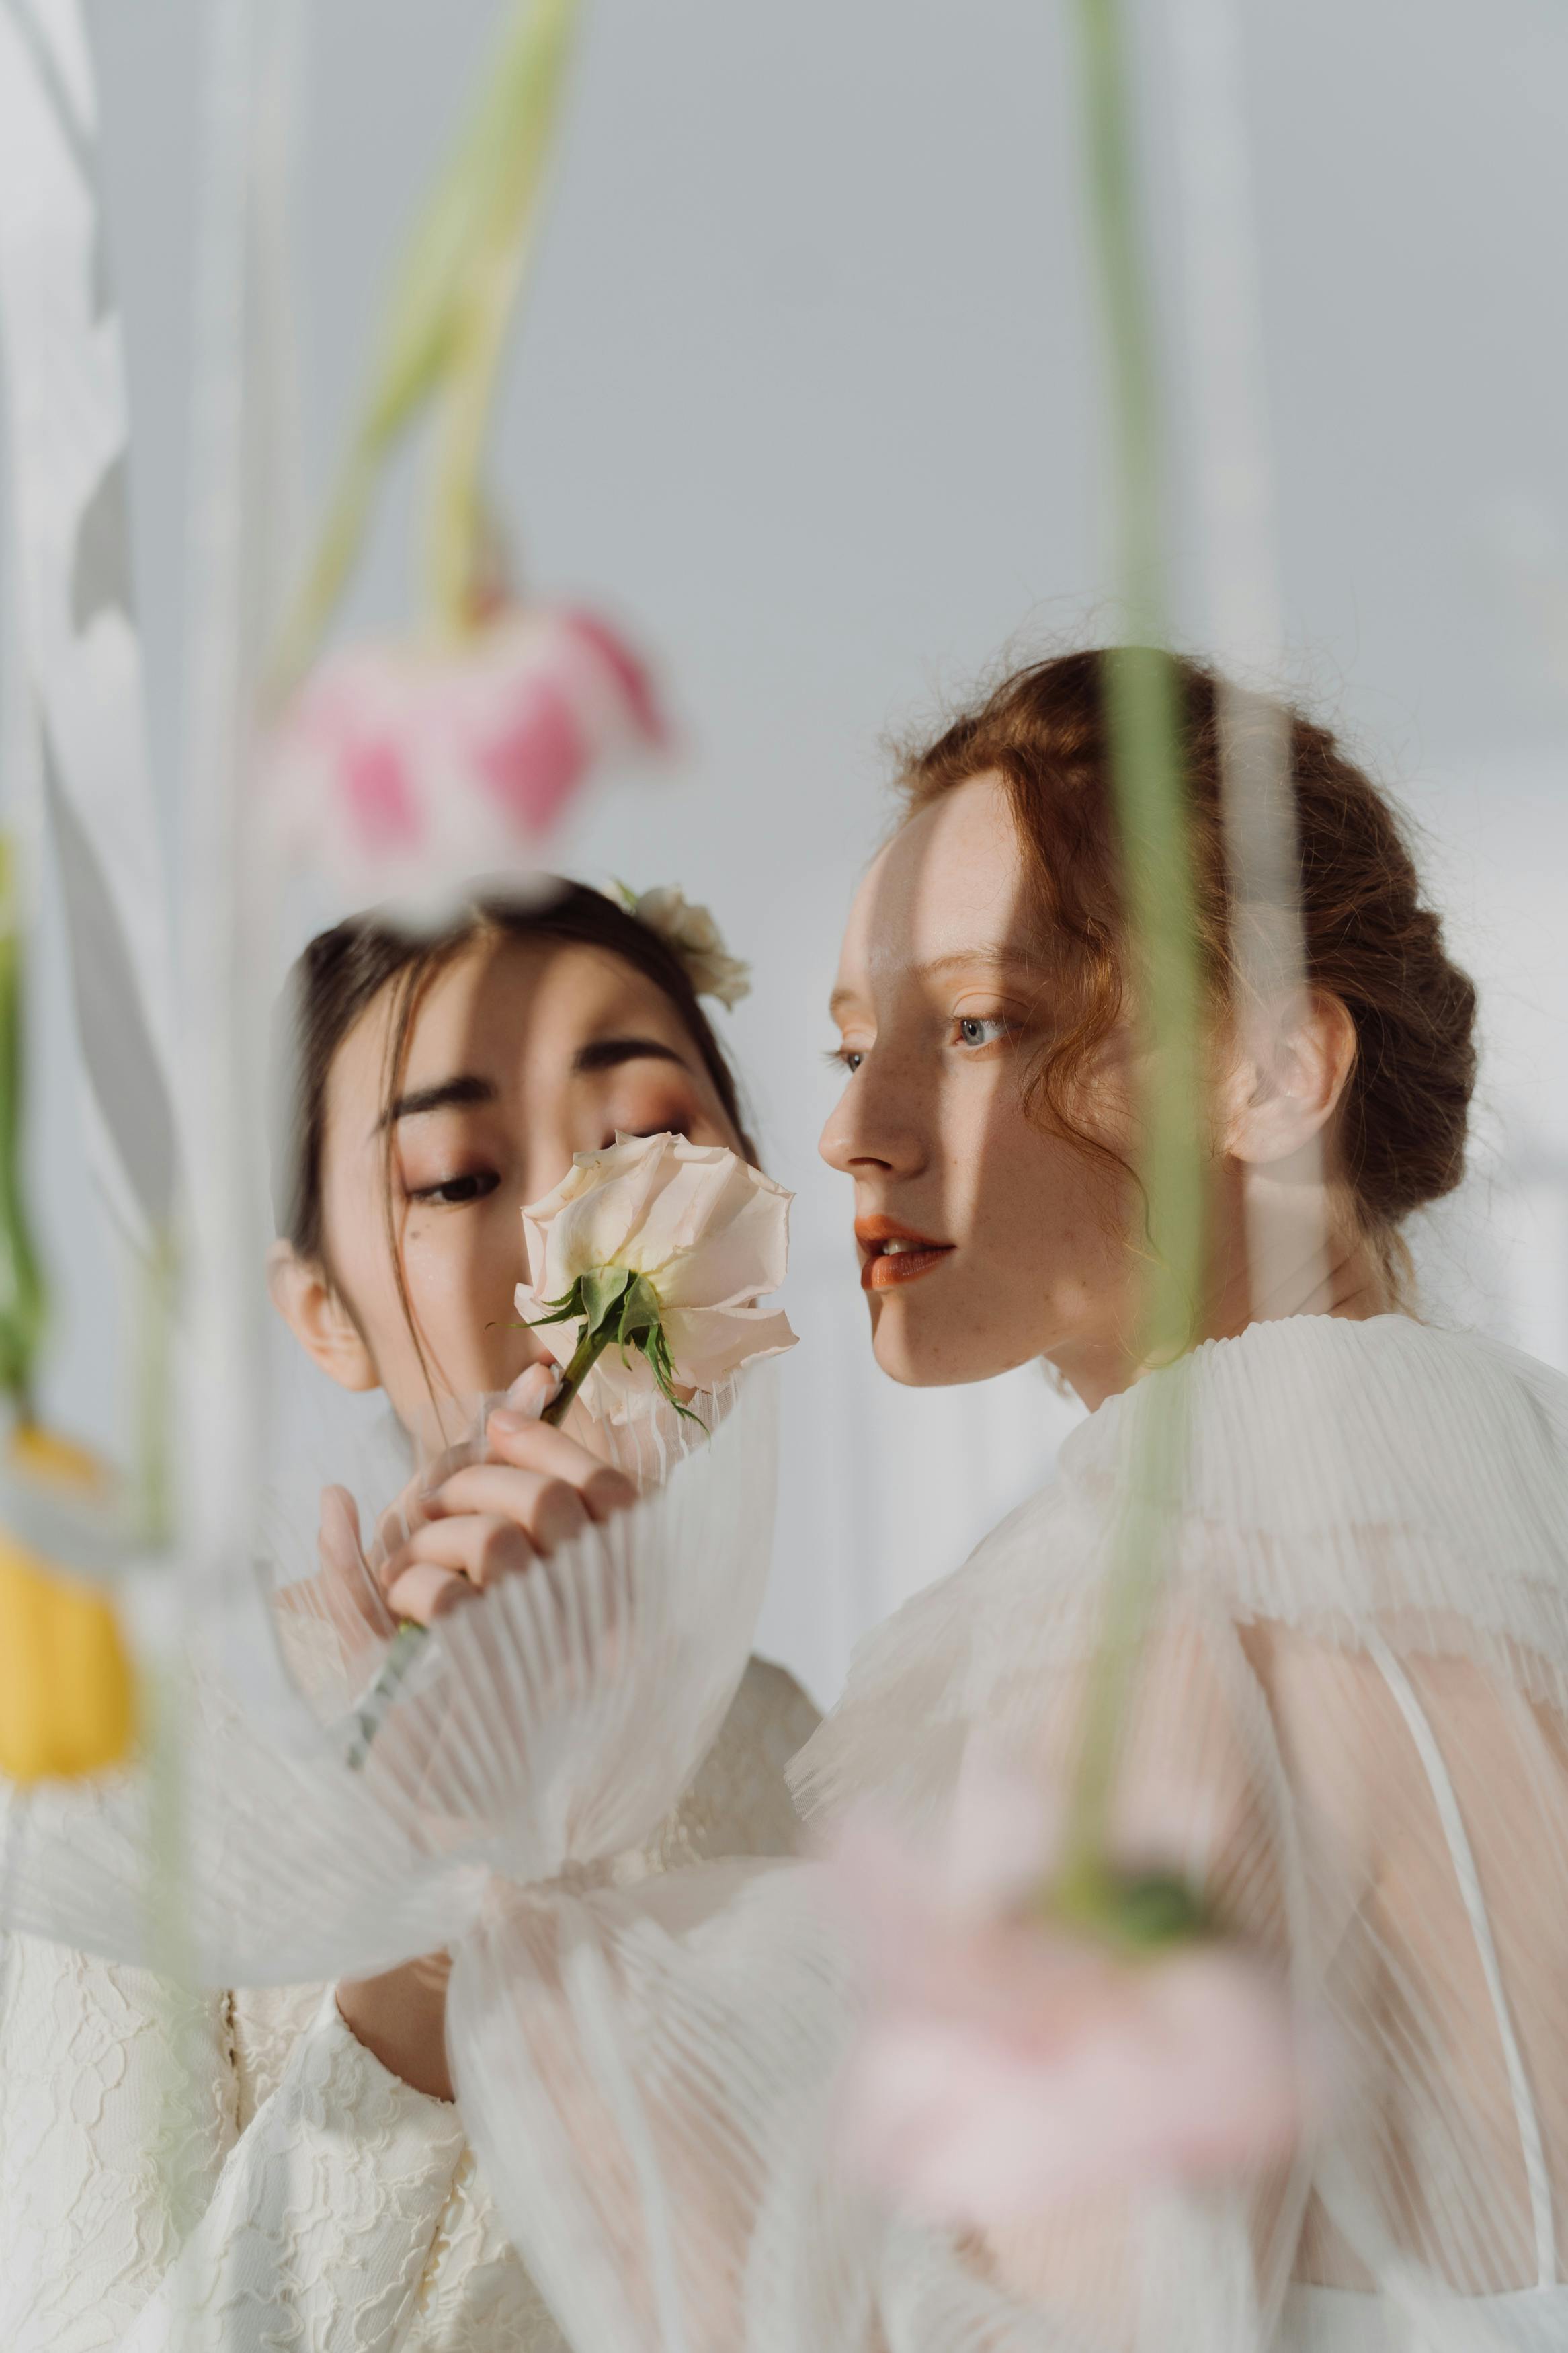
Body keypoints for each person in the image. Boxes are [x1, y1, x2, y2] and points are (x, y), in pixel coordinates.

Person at [464, 652, 1568, 2352]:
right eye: (849, 1045)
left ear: (1276, 1074)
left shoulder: (1171, 1601)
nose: (849, 1130)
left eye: (978, 1024)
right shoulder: (1484, 1529)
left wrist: (525, 1926)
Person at [0, 879, 817, 2352]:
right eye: (455, 1176)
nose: (576, 1228)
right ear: (323, 1313)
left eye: (647, 1142)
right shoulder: (150, 1746)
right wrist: (418, 1946)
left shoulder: (786, 1745)